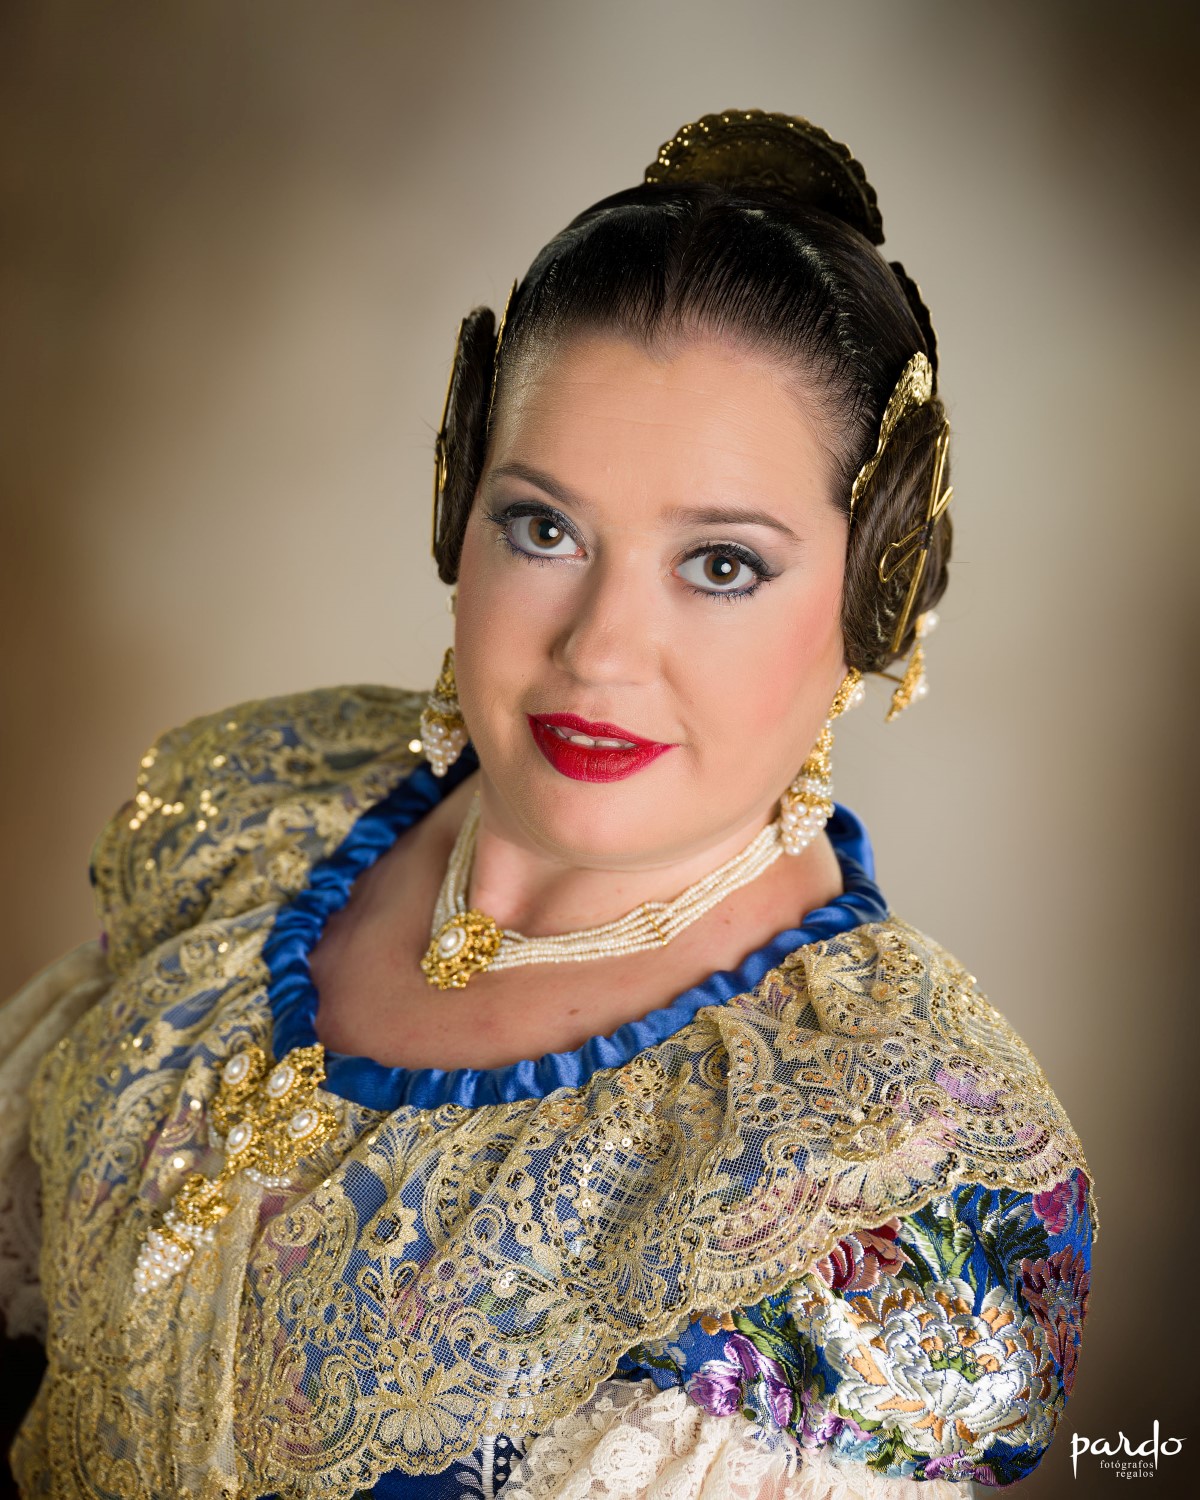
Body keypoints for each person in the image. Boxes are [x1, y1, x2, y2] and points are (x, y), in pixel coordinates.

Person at [0, 110, 1092, 1498]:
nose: (598, 650)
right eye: (544, 527)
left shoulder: (893, 1161)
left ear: (876, 590)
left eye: (721, 564)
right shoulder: (259, 817)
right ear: (458, 502)